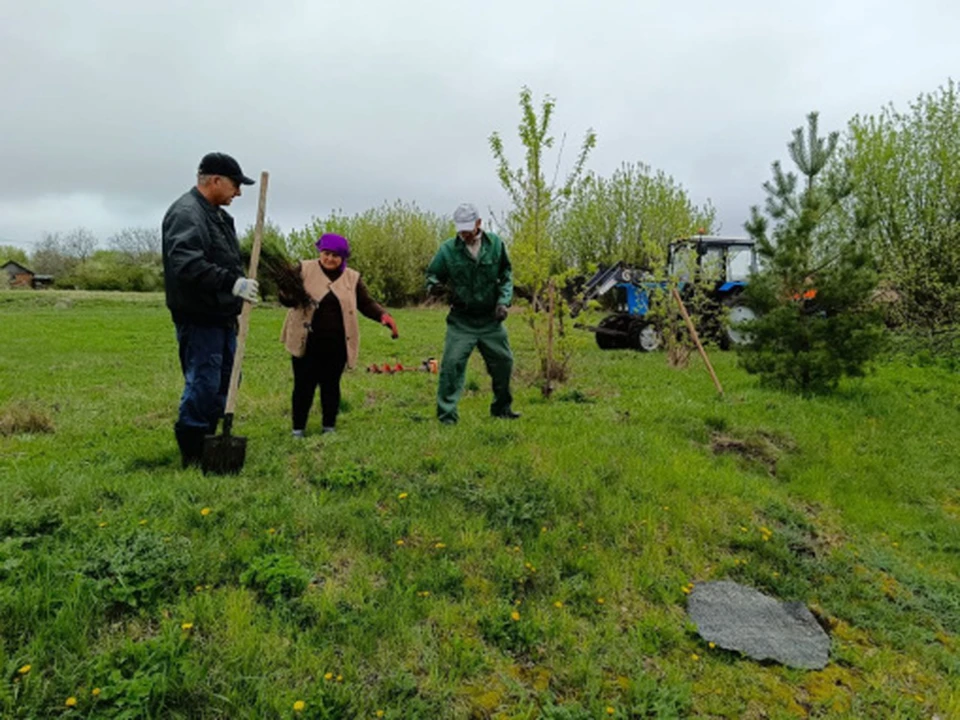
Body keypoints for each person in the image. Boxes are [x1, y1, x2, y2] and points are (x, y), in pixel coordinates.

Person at [162, 152, 260, 468]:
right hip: (199, 316)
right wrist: (233, 283)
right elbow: (186, 264)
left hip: (221, 316)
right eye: (235, 185)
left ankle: (212, 442)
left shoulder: (216, 215)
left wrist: (239, 284)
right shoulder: (187, 213)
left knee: (226, 381)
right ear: (215, 180)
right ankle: (192, 452)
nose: (239, 192)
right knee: (203, 383)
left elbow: (222, 258)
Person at [279, 233, 398, 436]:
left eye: (336, 255)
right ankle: (298, 429)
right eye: (326, 253)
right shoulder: (304, 269)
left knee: (331, 385)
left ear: (343, 257)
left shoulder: (352, 278)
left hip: (337, 344)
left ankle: (329, 427)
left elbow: (366, 303)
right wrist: (286, 294)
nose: (330, 259)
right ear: (320, 252)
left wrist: (383, 316)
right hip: (306, 342)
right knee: (303, 386)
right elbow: (287, 298)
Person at [425, 203, 519, 425]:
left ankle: (502, 408)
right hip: (461, 321)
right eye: (461, 229)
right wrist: (434, 287)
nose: (464, 233)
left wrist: (503, 302)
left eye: (468, 228)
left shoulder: (496, 245)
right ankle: (447, 417)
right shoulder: (447, 249)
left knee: (504, 363)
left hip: (491, 319)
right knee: (451, 365)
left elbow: (506, 274)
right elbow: (432, 275)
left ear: (479, 223)